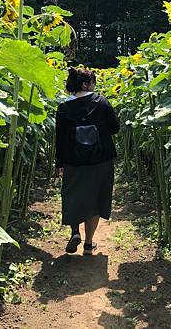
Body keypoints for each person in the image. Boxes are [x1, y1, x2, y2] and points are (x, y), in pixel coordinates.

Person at [55, 67, 120, 255]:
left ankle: (75, 232)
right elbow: (115, 128)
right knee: (96, 200)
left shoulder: (64, 108)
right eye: (92, 82)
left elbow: (59, 139)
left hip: (73, 160)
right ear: (85, 84)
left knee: (74, 195)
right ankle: (89, 244)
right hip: (101, 159)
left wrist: (59, 163)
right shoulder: (102, 103)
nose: (94, 86)